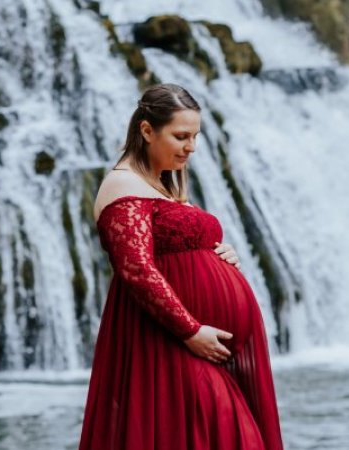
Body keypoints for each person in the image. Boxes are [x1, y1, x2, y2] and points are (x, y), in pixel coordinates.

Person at [78, 83, 283, 450]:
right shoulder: (122, 184)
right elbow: (137, 269)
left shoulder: (155, 184)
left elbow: (173, 249)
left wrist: (221, 254)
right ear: (146, 131)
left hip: (191, 342)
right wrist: (190, 330)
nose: (192, 147)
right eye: (181, 136)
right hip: (167, 342)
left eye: (196, 136)